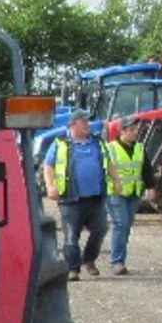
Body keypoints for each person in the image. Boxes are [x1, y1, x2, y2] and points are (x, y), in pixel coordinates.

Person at [43, 113, 109, 281]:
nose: (87, 124)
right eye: (83, 122)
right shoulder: (60, 143)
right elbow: (48, 166)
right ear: (72, 125)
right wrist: (50, 186)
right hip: (70, 199)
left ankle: (89, 259)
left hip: (96, 197)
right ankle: (73, 269)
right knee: (71, 236)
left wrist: (115, 181)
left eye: (87, 121)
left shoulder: (97, 142)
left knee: (100, 230)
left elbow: (109, 163)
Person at [103, 118, 153, 275]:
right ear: (122, 131)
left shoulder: (139, 148)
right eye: (131, 130)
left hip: (133, 193)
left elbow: (146, 169)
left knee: (126, 226)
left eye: (135, 129)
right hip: (115, 193)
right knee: (120, 224)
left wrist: (151, 187)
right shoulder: (110, 149)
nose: (135, 132)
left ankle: (120, 260)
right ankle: (117, 262)